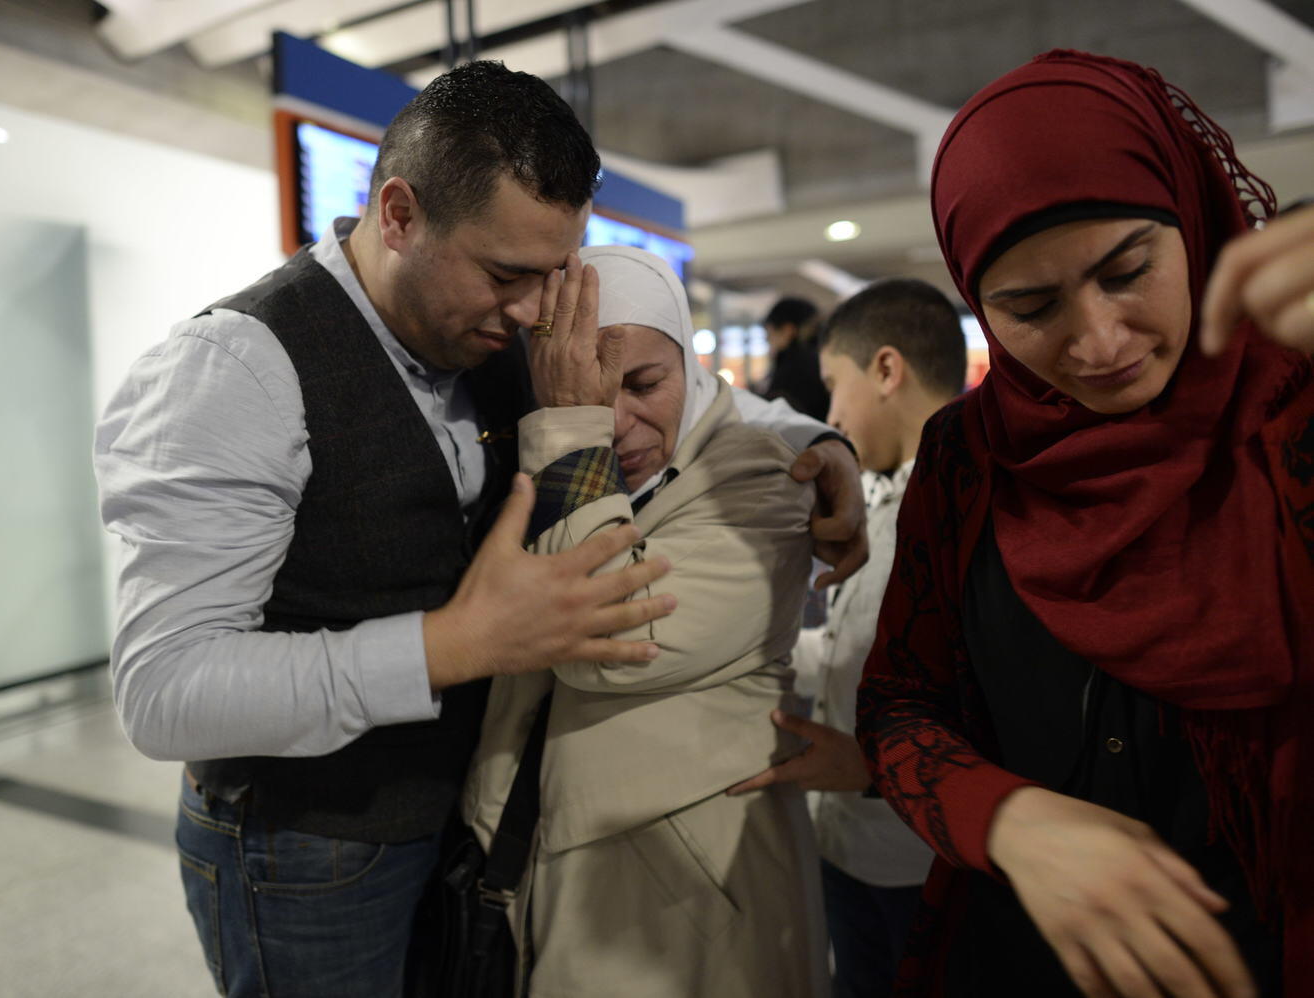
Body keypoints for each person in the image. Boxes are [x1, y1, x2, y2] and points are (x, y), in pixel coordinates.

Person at [94, 61, 866, 998]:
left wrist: (821, 444)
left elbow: (675, 386)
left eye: (555, 276)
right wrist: (450, 646)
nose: (538, 312)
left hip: (468, 824)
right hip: (307, 847)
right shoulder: (235, 369)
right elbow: (164, 690)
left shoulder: (489, 329)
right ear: (397, 214)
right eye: (507, 273)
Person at [855, 50, 1314, 998]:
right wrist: (1006, 818)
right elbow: (899, 701)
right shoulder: (965, 458)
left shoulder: (1295, 411)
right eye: (1028, 307)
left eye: (1129, 270)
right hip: (1021, 960)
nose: (1099, 342)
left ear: (1191, 223)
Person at [465, 245, 828, 998]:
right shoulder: (546, 443)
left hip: (687, 894)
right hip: (549, 859)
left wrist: (571, 424)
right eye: (587, 390)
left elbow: (603, 639)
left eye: (643, 384)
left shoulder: (761, 482)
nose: (617, 421)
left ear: (690, 371)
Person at [732, 278, 966, 997]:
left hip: (924, 859)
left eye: (834, 386)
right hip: (844, 845)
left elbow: (996, 715)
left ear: (887, 370)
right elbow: (842, 647)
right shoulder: (874, 494)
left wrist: (869, 767)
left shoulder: (964, 514)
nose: (828, 411)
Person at [758, 296, 831, 419]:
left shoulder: (794, 366)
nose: (767, 340)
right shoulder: (824, 358)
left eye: (769, 334)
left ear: (788, 330)